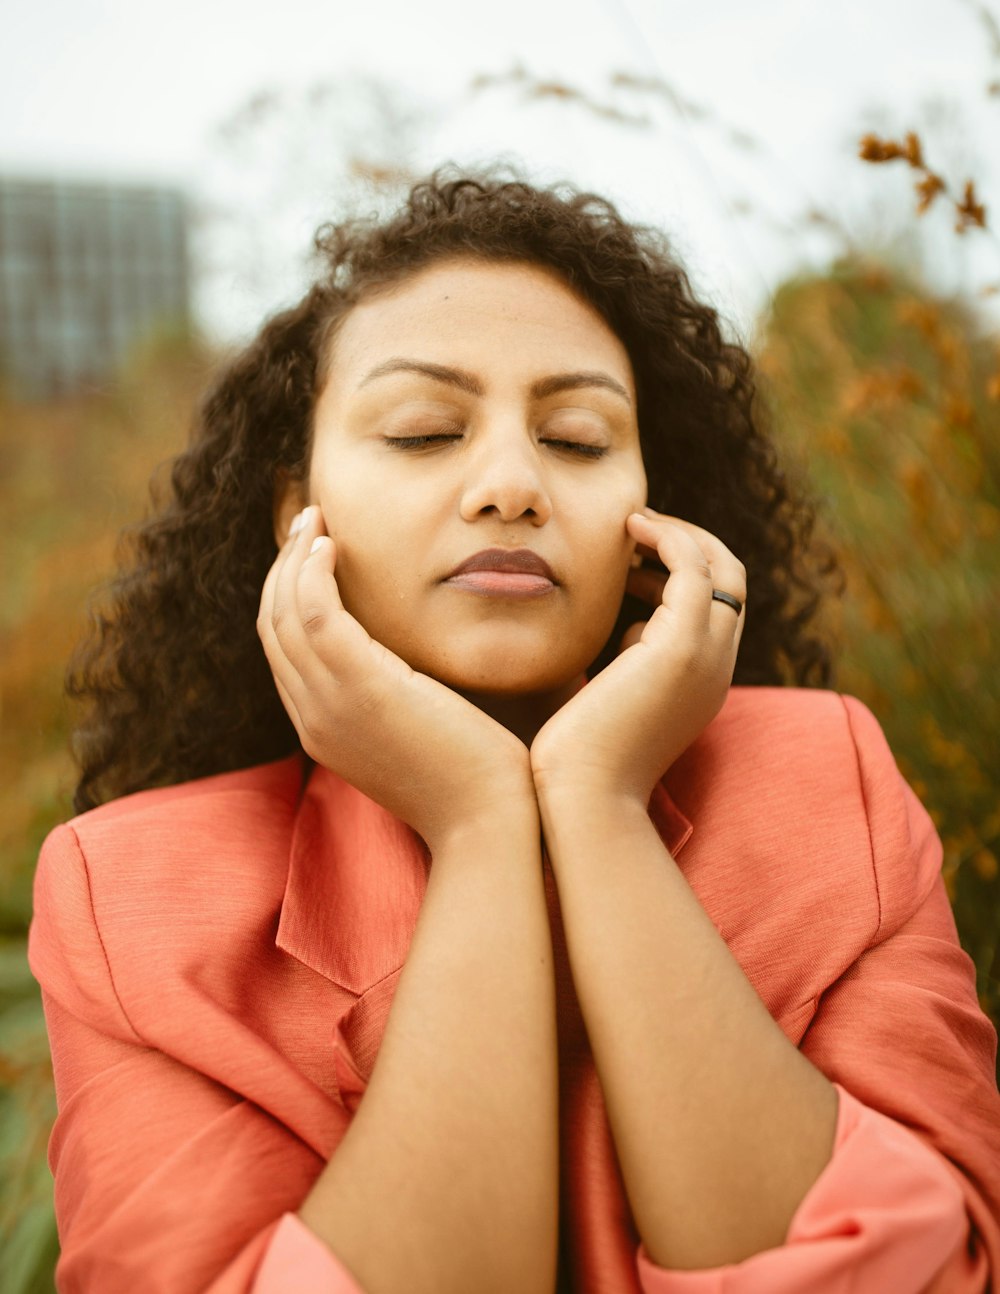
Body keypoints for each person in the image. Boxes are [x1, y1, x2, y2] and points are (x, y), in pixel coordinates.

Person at [28, 170, 1000, 1294]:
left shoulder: (834, 781)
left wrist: (596, 798)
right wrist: (479, 819)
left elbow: (914, 1275)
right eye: (424, 429)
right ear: (299, 517)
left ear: (654, 519)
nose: (509, 483)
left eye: (579, 439)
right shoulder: (128, 898)